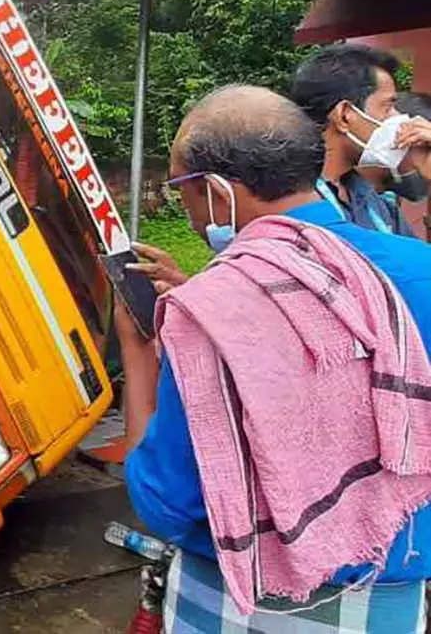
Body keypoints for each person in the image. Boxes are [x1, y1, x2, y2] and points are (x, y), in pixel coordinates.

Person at [118, 85, 431, 631]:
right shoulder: (420, 268)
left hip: (236, 598)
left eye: (182, 192)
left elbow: (168, 500)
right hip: (391, 600)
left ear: (215, 191)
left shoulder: (219, 306)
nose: (186, 210)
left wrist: (141, 350)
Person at [287, 43, 418, 236]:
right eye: (387, 107)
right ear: (345, 115)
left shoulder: (376, 205)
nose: (399, 119)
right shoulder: (290, 201)